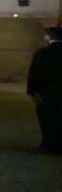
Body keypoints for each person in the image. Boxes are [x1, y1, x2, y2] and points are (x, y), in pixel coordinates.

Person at [27, 26, 62, 154]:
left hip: (47, 93)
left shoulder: (42, 53)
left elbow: (34, 74)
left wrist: (32, 92)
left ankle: (49, 144)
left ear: (48, 36)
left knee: (48, 120)